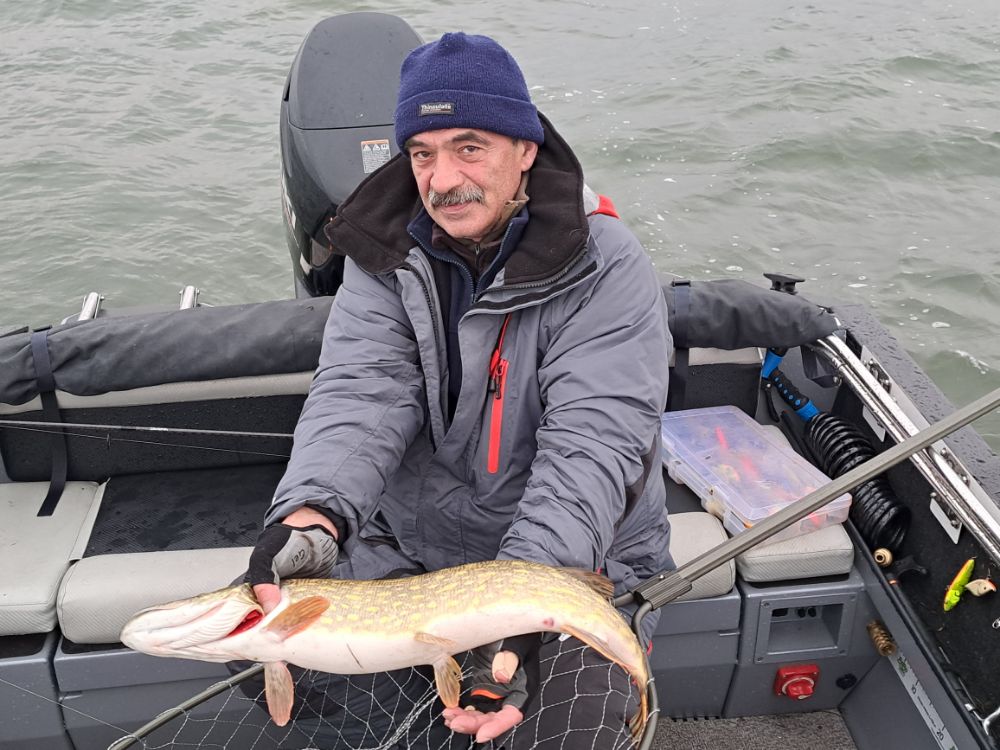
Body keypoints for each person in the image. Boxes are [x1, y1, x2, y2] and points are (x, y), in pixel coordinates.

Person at [245, 31, 674, 749]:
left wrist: (521, 602)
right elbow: (360, 395)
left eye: (469, 147)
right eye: (422, 154)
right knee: (261, 656)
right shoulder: (381, 249)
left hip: (572, 559)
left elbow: (592, 450)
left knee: (565, 731)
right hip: (411, 549)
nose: (442, 180)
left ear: (526, 149)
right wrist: (313, 515)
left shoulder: (608, 266)